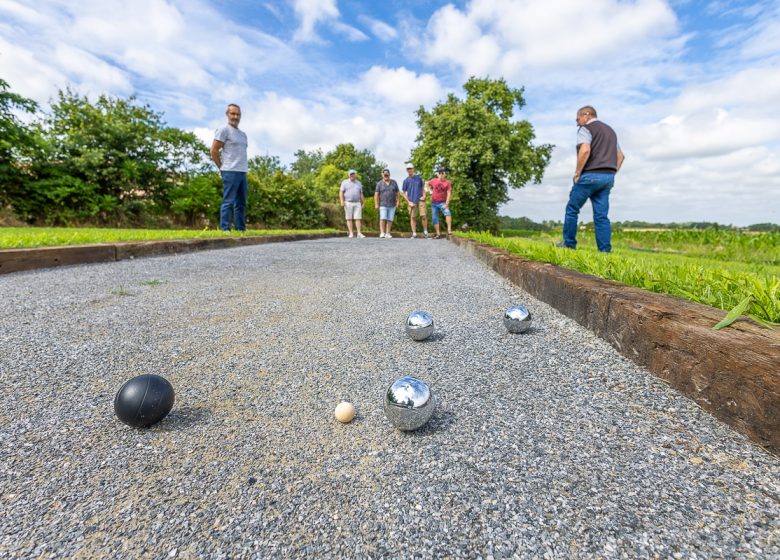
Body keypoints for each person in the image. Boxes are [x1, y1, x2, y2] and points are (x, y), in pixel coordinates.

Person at [559, 105, 625, 252]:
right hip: (607, 177)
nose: (577, 123)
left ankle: (569, 244)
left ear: (587, 115)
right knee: (601, 216)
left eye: (578, 119)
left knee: (572, 209)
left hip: (590, 176)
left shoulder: (586, 129)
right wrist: (611, 174)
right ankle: (605, 251)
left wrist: (577, 172)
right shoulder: (611, 132)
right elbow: (620, 156)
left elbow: (585, 149)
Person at [210, 104, 248, 231]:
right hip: (229, 171)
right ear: (227, 114)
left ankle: (240, 229)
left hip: (242, 172)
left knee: (241, 203)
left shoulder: (243, 135)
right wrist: (221, 167)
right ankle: (225, 229)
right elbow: (214, 150)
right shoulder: (223, 130)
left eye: (238, 114)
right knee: (228, 201)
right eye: (233, 114)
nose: (235, 116)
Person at [401, 163, 429, 238]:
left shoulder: (419, 178)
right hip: (411, 201)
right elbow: (403, 193)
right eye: (408, 169)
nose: (409, 170)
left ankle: (425, 232)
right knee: (413, 217)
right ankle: (414, 233)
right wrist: (408, 202)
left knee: (423, 215)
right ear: (406, 170)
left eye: (410, 168)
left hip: (420, 200)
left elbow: (423, 188)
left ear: (413, 169)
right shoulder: (405, 181)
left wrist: (424, 195)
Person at [426, 167, 452, 238]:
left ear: (445, 174)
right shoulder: (434, 180)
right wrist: (430, 191)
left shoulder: (447, 182)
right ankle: (438, 234)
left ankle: (449, 230)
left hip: (442, 203)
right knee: (435, 218)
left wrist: (447, 204)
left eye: (442, 173)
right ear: (437, 174)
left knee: (447, 212)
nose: (441, 174)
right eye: (439, 173)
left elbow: (449, 193)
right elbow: (427, 184)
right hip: (434, 203)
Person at [374, 168, 400, 238]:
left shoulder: (394, 182)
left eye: (387, 175)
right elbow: (376, 194)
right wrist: (376, 204)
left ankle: (388, 233)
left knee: (390, 219)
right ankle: (382, 232)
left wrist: (398, 202)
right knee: (383, 218)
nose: (386, 176)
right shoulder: (379, 183)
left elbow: (397, 193)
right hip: (383, 204)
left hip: (392, 204)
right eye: (385, 175)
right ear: (382, 175)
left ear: (389, 175)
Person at [339, 169, 365, 238]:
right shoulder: (344, 182)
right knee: (349, 218)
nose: (352, 175)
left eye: (353, 174)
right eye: (351, 174)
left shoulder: (359, 183)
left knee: (358, 218)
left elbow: (361, 193)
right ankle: (351, 233)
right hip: (348, 202)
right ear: (348, 175)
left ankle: (359, 233)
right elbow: (341, 192)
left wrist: (363, 202)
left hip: (357, 202)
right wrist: (342, 201)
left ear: (355, 175)